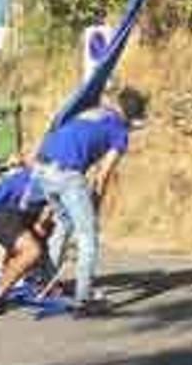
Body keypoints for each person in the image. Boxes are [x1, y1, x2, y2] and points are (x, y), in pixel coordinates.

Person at [30, 87, 146, 315]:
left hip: (43, 168)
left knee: (64, 224)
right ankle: (83, 298)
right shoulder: (120, 133)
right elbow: (103, 173)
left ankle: (45, 282)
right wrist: (96, 202)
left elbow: (82, 131)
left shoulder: (96, 112)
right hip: (68, 176)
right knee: (88, 236)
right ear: (134, 116)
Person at [0, 166, 53, 315]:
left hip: (6, 212)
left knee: (41, 234)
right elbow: (35, 214)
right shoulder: (49, 177)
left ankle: (40, 278)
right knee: (32, 250)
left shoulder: (49, 168)